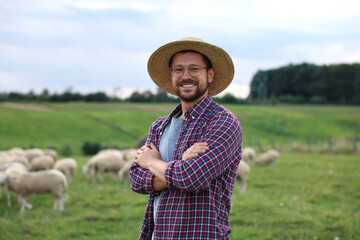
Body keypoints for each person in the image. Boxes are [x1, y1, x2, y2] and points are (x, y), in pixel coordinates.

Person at [129, 37, 243, 240]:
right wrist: (180, 164)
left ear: (210, 74)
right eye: (178, 70)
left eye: (194, 69)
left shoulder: (223, 123)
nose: (186, 76)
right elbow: (136, 179)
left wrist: (153, 162)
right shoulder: (159, 126)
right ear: (172, 75)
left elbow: (192, 178)